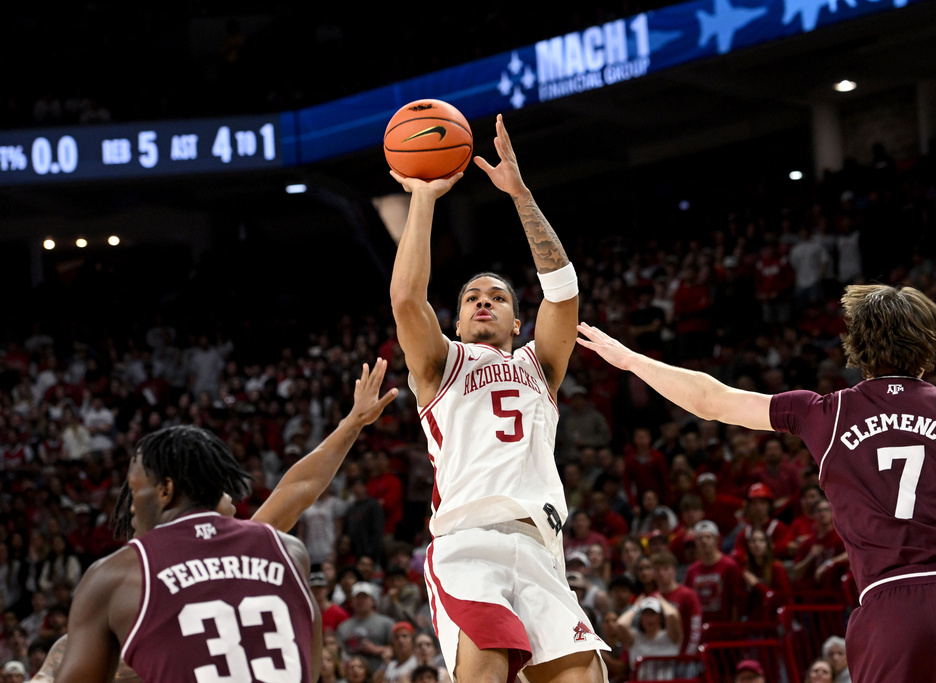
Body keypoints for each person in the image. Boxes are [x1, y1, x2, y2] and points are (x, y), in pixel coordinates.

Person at [577, 283, 936, 681]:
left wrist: (632, 360)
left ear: (855, 344)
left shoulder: (823, 412)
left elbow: (712, 400)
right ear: (930, 344)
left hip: (890, 609)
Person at [389, 113, 607, 683]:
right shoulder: (442, 364)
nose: (483, 302)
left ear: (517, 320)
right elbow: (408, 299)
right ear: (457, 322)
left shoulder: (540, 365)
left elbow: (563, 290)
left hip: (542, 550)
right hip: (469, 545)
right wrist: (423, 199)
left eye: (498, 297)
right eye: (471, 298)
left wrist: (520, 194)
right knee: (484, 670)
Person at [38, 360, 397, 683]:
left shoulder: (117, 581)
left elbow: (298, 489)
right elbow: (298, 489)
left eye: (135, 493)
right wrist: (352, 424)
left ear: (165, 491)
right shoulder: (280, 549)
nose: (230, 503)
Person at [54, 425, 321, 683]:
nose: (131, 509)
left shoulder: (116, 574)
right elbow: (311, 668)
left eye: (134, 492)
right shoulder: (288, 550)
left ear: (165, 490)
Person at [613, 595, 682, 682]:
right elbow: (620, 624)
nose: (649, 618)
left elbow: (672, 615)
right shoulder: (635, 638)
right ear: (640, 618)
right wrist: (636, 607)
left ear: (660, 617)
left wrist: (661, 601)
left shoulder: (670, 637)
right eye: (645, 614)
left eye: (652, 614)